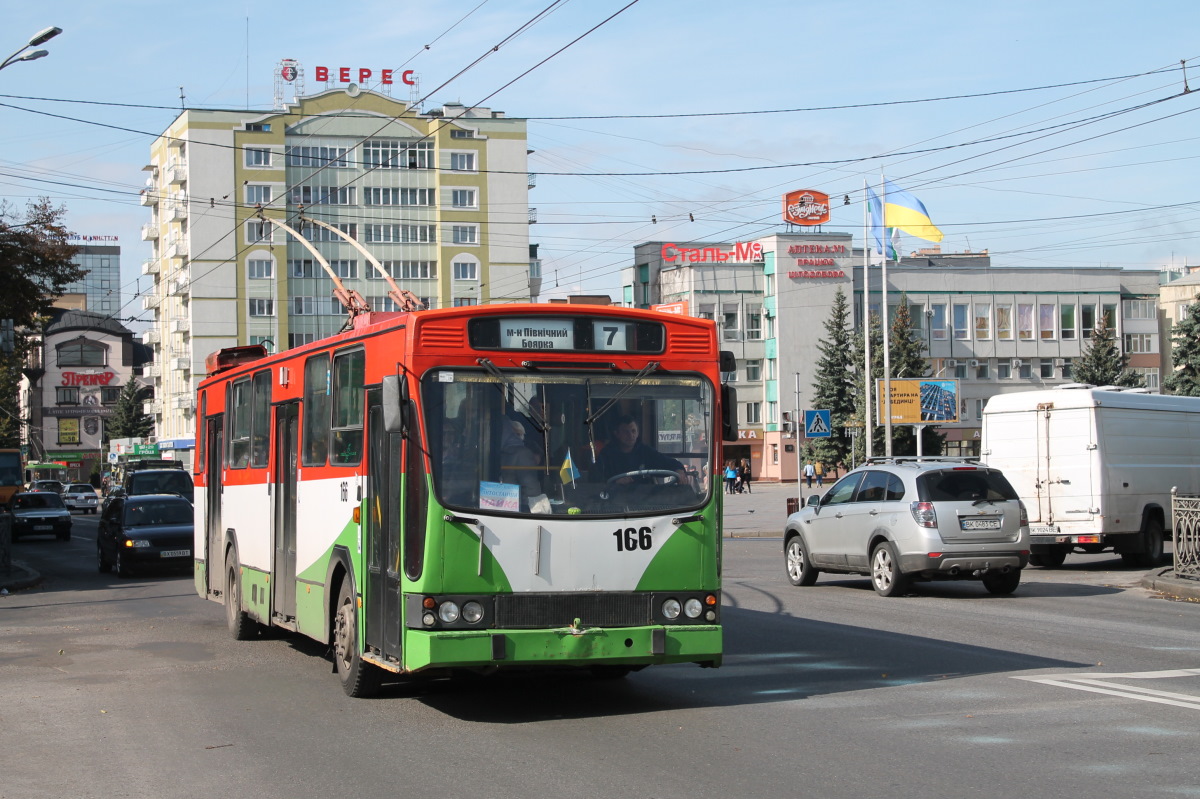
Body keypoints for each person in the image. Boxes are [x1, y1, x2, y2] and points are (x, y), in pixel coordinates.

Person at [594, 414, 686, 486]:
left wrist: (679, 470)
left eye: (633, 431)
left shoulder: (645, 452)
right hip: (614, 502)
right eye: (626, 432)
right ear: (617, 434)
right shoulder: (606, 455)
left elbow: (669, 463)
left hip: (644, 502)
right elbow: (595, 482)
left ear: (638, 433)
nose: (630, 435)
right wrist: (615, 483)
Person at [500, 419, 545, 511]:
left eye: (520, 434)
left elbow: (531, 490)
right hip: (500, 508)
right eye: (517, 434)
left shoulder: (522, 454)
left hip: (514, 511)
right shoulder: (485, 452)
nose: (521, 437)